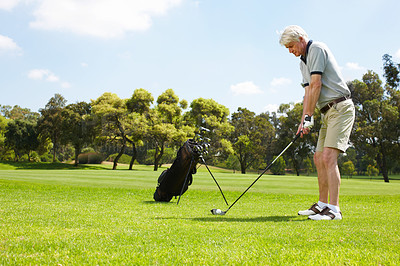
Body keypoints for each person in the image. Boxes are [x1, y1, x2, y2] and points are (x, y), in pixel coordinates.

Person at [279, 25, 355, 220]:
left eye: (291, 46)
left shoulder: (317, 49)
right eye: (287, 48)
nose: (290, 51)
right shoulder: (302, 63)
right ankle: (322, 205)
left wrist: (308, 117)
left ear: (302, 38)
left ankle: (334, 210)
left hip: (340, 108)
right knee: (319, 157)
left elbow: (316, 84)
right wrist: (303, 119)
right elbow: (307, 92)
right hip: (326, 112)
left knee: (329, 157)